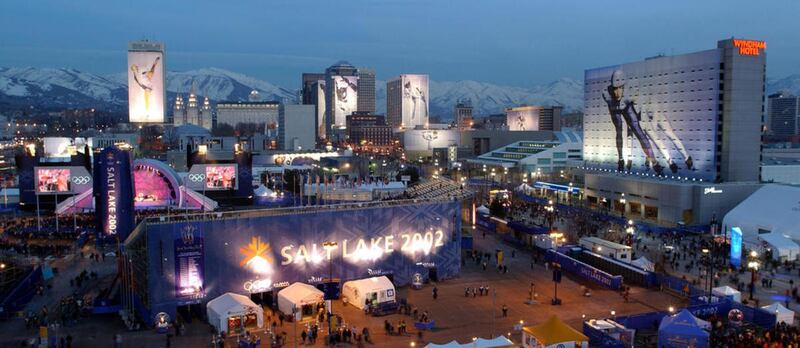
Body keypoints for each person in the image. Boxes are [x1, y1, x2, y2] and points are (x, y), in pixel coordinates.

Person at [601, 69, 660, 173]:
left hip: (626, 106)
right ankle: (620, 159)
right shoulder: (607, 94)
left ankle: (654, 161)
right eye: (615, 89)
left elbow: (637, 98)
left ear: (624, 87)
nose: (618, 92)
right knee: (619, 129)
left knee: (638, 131)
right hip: (614, 107)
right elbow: (614, 102)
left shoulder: (629, 93)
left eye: (620, 88)